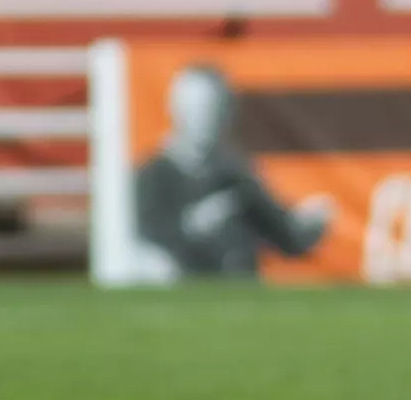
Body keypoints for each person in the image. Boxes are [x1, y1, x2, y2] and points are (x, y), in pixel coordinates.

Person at [133, 64, 332, 280]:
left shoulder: (236, 175)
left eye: (210, 110)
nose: (203, 120)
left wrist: (307, 227)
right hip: (182, 294)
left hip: (242, 296)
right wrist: (193, 228)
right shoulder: (152, 177)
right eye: (195, 110)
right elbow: (139, 245)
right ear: (175, 110)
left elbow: (285, 236)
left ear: (226, 112)